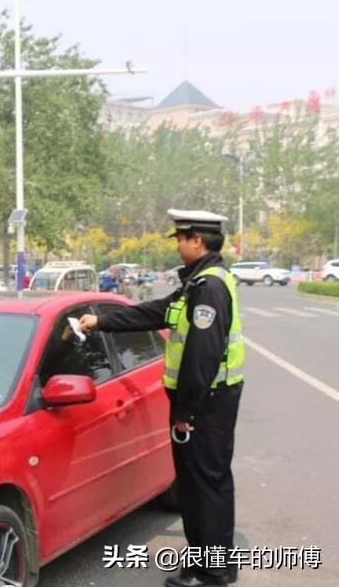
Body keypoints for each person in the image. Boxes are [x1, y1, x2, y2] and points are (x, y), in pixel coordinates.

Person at [78, 209, 244, 587]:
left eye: (181, 239)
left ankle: (210, 573)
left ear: (197, 241)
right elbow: (157, 312)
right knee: (205, 484)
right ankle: (212, 564)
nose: (178, 246)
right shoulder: (198, 282)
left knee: (204, 486)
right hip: (209, 401)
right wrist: (102, 321)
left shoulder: (209, 288)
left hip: (206, 404)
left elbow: (201, 358)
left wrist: (186, 412)